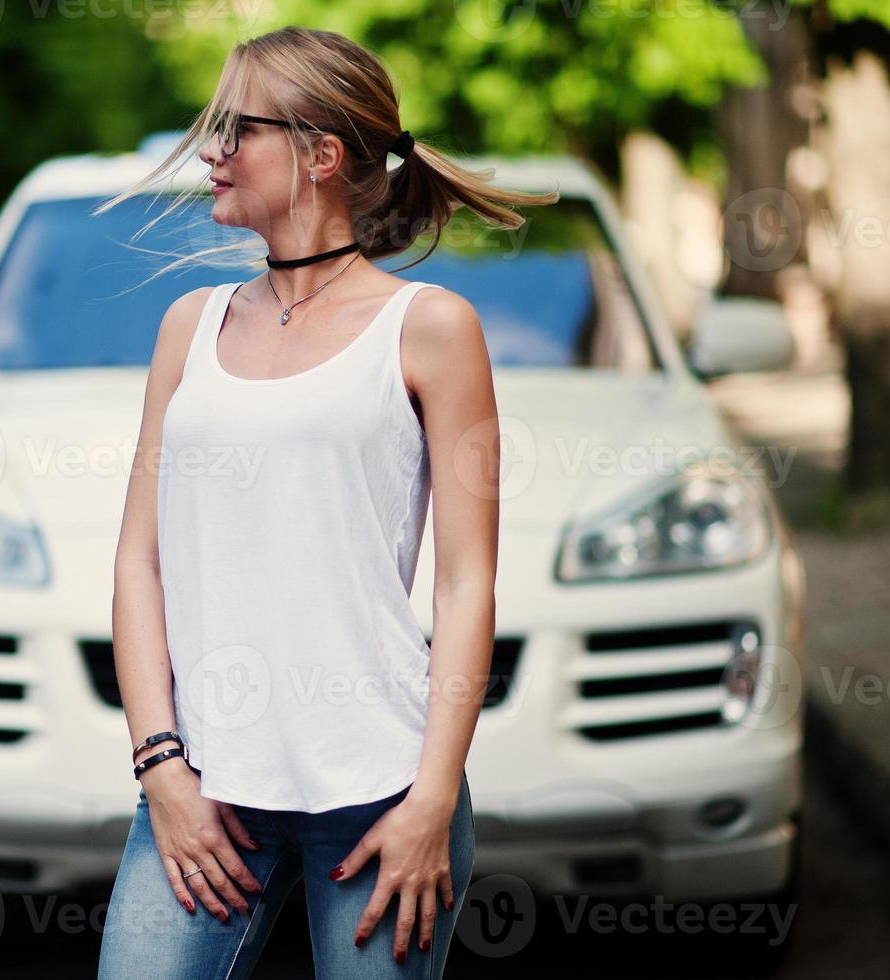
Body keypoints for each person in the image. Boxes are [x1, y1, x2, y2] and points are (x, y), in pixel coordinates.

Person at [99, 25, 556, 980]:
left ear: (320, 154)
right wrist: (161, 769)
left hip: (380, 793)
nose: (212, 151)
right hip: (204, 791)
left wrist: (433, 798)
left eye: (236, 128)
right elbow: (138, 561)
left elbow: (467, 585)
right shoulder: (190, 325)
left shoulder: (428, 328)